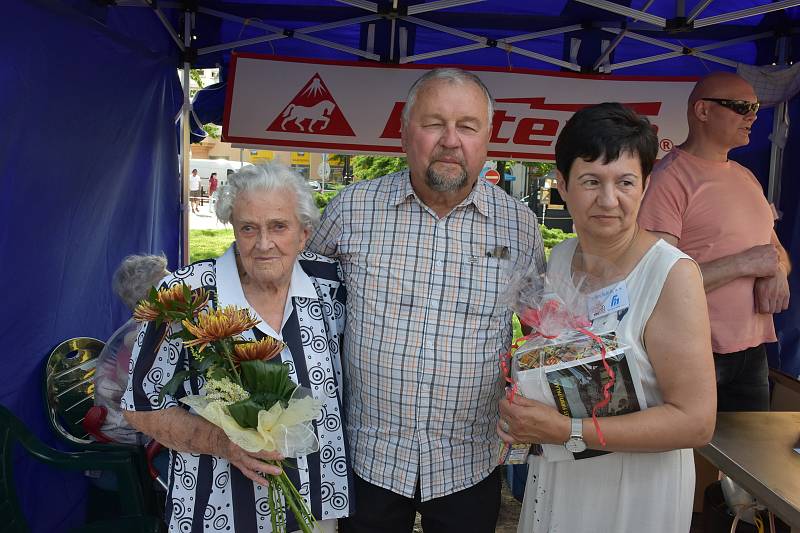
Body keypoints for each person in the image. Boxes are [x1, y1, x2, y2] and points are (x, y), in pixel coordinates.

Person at [307, 68, 545, 533]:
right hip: (368, 455)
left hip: (469, 461)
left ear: (488, 138)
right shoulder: (351, 209)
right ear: (403, 131)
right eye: (434, 123)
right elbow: (299, 307)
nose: (450, 141)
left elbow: (540, 330)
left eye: (468, 126)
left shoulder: (519, 226)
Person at [499, 103, 716, 532]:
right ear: (562, 184)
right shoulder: (559, 259)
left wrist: (567, 429)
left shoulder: (670, 275)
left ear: (646, 185)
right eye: (590, 181)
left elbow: (696, 422)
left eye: (625, 182)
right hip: (561, 476)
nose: (608, 200)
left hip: (634, 492)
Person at [122, 163, 353, 533]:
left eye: (279, 226)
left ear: (304, 233)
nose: (263, 244)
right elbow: (140, 406)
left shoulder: (330, 286)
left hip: (316, 507)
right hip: (216, 512)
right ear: (233, 228)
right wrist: (223, 442)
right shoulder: (185, 296)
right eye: (249, 228)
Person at [638, 72, 792, 412]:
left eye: (754, 107)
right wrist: (744, 264)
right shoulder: (668, 180)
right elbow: (653, 283)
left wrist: (777, 270)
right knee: (692, 461)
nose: (752, 116)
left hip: (752, 351)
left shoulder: (746, 176)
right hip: (694, 350)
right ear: (703, 111)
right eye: (741, 107)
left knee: (748, 460)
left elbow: (774, 251)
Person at [93, 254, 169, 445]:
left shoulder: (154, 325)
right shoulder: (136, 339)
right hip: (128, 437)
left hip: (146, 426)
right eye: (168, 284)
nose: (180, 286)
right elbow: (151, 398)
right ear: (148, 299)